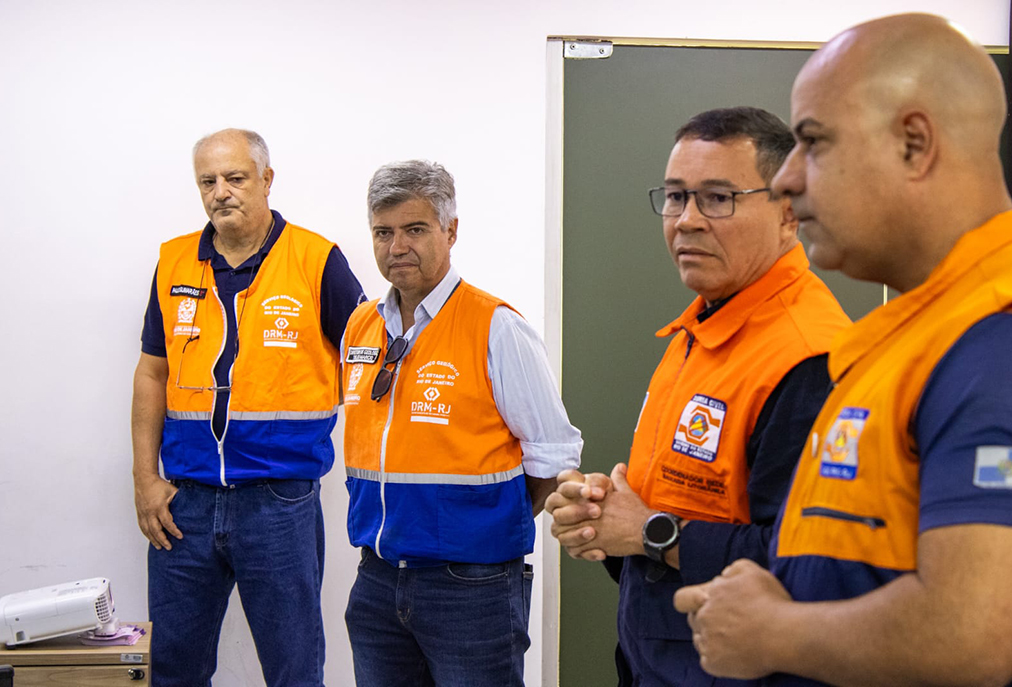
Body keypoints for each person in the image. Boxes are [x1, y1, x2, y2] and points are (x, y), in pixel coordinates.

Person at [674, 13, 1012, 687]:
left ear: (914, 144)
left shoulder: (990, 342)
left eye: (814, 144)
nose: (788, 181)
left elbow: (976, 635)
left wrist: (775, 630)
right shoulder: (909, 337)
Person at [546, 107, 851, 686]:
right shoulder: (703, 331)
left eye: (717, 198)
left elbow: (812, 569)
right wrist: (601, 521)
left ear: (788, 210)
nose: (686, 220)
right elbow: (679, 508)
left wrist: (647, 531)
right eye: (676, 196)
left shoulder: (808, 358)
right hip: (660, 660)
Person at [130, 128, 364, 686]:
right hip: (182, 504)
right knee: (172, 669)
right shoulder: (173, 262)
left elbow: (366, 366)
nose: (221, 193)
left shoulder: (316, 260)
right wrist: (144, 478)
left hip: (279, 504)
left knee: (293, 669)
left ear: (266, 179)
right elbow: (151, 372)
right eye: (207, 181)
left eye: (235, 178)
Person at [341, 159, 582, 686]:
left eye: (415, 229)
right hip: (378, 582)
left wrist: (481, 533)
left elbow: (555, 453)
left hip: (471, 588)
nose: (396, 246)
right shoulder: (359, 328)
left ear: (451, 232)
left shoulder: (495, 326)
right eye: (383, 232)